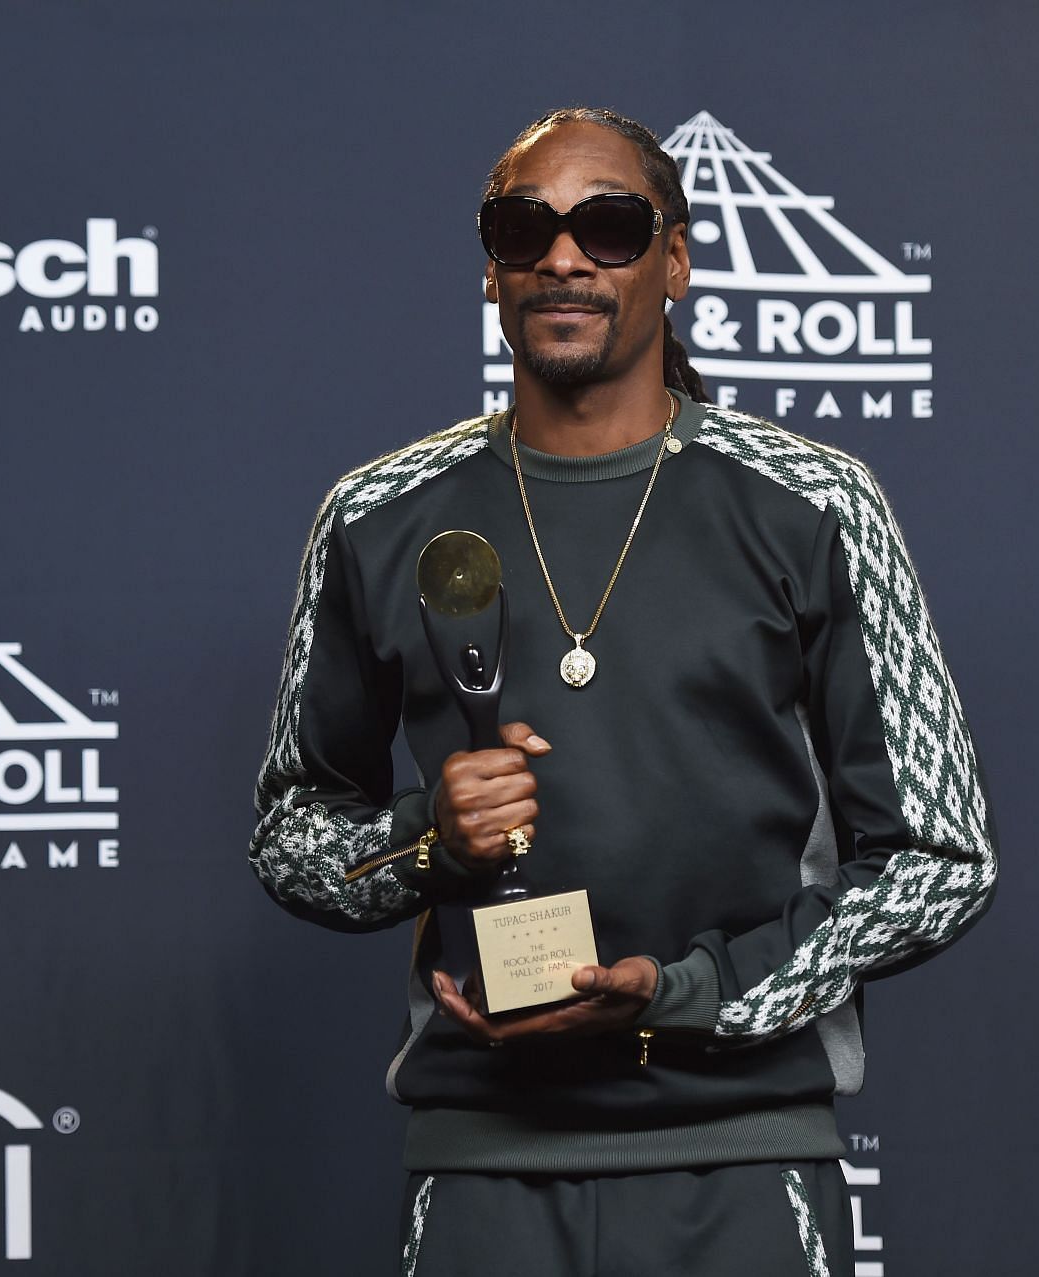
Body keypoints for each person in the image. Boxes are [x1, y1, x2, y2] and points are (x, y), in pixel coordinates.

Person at [250, 106, 997, 1276]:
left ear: (676, 259)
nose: (563, 255)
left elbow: (939, 859)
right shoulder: (376, 513)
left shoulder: (814, 503)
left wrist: (688, 991)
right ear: (491, 265)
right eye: (522, 227)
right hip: (482, 1163)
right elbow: (294, 838)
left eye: (608, 226)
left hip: (741, 1157)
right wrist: (426, 840)